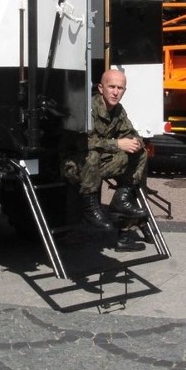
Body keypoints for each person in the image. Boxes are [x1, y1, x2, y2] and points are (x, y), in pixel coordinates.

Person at [61, 69, 149, 250]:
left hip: (98, 163)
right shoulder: (88, 109)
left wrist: (136, 143)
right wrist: (117, 144)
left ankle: (121, 200)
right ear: (101, 88)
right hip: (76, 163)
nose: (116, 92)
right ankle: (91, 210)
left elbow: (131, 133)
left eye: (120, 88)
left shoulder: (118, 110)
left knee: (141, 154)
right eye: (112, 87)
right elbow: (83, 143)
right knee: (92, 156)